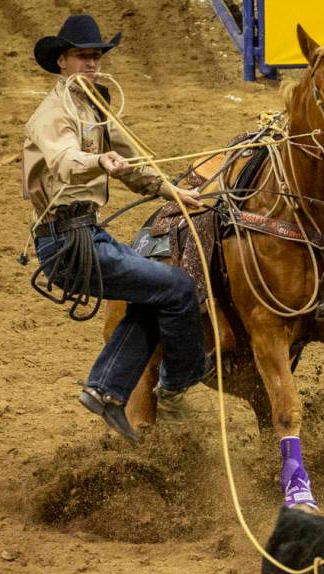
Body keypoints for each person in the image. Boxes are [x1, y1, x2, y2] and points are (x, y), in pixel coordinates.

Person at [23, 14, 206, 442]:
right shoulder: (53, 114)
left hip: (86, 234)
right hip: (67, 242)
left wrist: (170, 191)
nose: (92, 64)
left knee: (152, 294)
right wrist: (97, 160)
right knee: (177, 287)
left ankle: (104, 389)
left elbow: (132, 165)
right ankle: (179, 385)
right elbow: (65, 160)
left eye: (96, 57)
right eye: (83, 57)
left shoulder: (97, 107)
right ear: (63, 62)